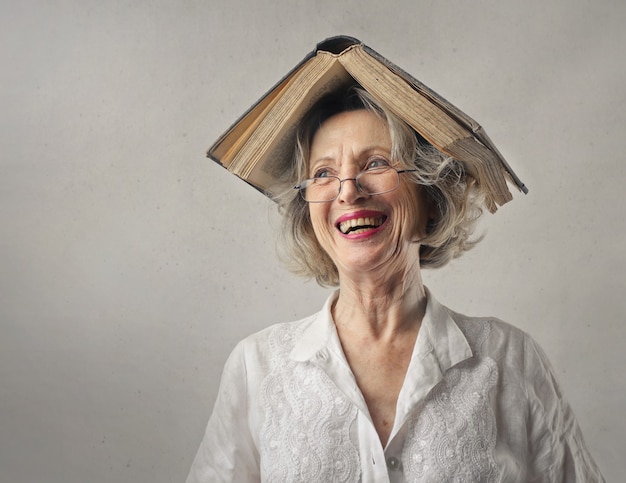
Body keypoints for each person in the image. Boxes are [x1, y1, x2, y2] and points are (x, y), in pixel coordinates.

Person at [186, 87, 604, 482]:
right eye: (324, 173)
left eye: (375, 164)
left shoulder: (510, 359)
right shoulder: (257, 366)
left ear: (431, 196)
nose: (348, 191)